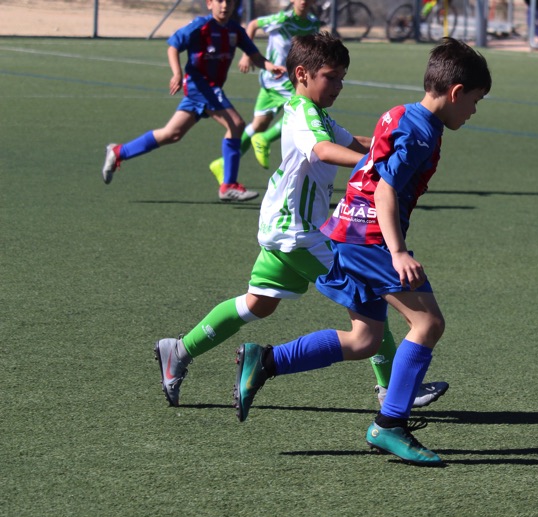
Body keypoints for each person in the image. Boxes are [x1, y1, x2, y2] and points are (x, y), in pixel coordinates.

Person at [232, 38, 492, 466]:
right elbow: (387, 189)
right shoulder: (422, 132)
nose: (474, 112)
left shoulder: (400, 113)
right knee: (427, 323)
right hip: (370, 237)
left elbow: (371, 162)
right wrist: (398, 251)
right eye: (475, 102)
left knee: (366, 338)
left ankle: (267, 360)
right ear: (456, 92)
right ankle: (390, 426)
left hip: (346, 230)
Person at [155, 33, 449, 409]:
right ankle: (392, 387)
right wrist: (378, 163)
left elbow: (353, 141)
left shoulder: (315, 113)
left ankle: (178, 350)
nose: (339, 86)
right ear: (302, 74)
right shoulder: (301, 114)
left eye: (343, 78)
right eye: (332, 76)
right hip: (302, 234)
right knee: (370, 291)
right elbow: (324, 150)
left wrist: (386, 143)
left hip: (285, 227)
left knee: (258, 304)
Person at [102, 0, 283, 202]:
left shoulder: (235, 30)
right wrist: (177, 73)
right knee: (236, 124)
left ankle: (119, 151)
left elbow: (256, 56)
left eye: (229, 2)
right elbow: (173, 45)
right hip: (200, 87)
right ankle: (228, 185)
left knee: (172, 134)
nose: (224, 6)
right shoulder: (200, 26)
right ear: (209, 4)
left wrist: (270, 66)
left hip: (210, 89)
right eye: (220, 1)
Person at [209, 0, 320, 186]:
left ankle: (223, 163)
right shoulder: (281, 19)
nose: (303, 1)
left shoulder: (312, 24)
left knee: (258, 124)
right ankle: (265, 139)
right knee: (305, 109)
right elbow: (252, 25)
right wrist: (246, 55)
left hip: (279, 80)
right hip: (278, 78)